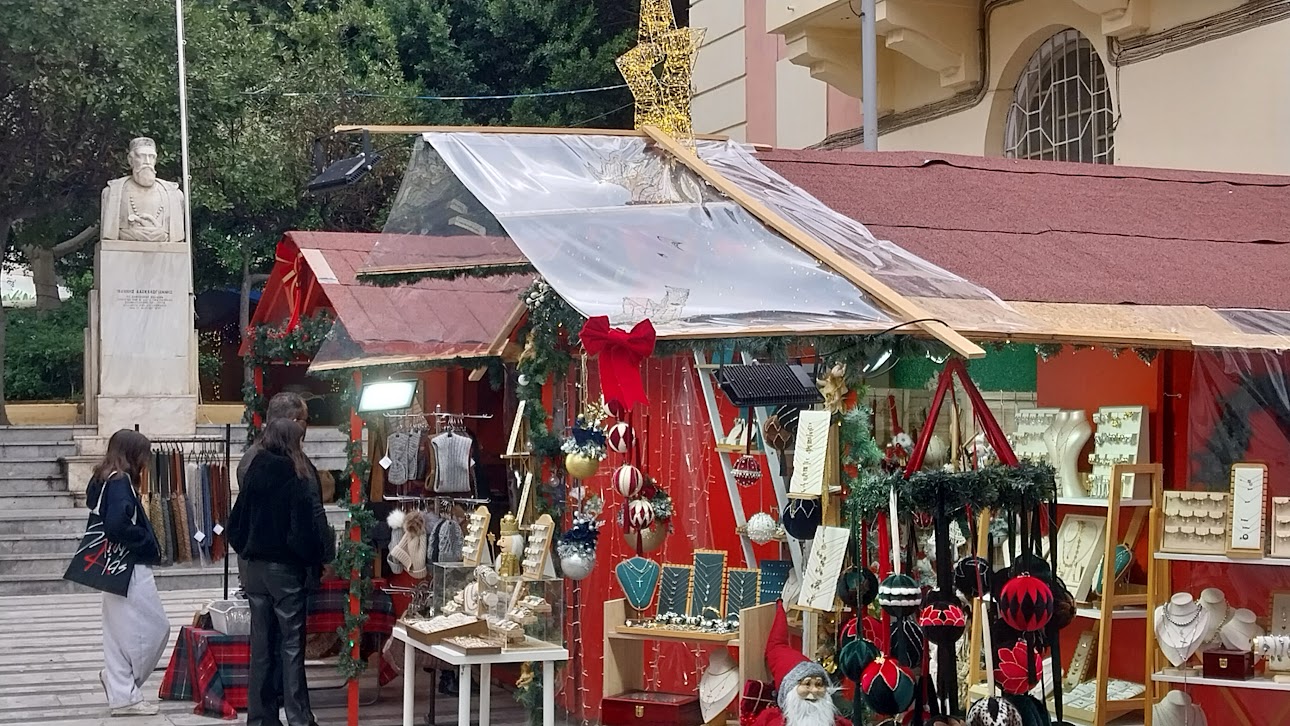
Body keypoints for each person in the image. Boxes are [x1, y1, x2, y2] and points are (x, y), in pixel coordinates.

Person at [229, 419, 334, 726]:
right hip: (284, 571)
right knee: (291, 645)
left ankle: (261, 719)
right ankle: (299, 718)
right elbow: (305, 529)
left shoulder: (256, 467)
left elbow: (237, 521)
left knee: (261, 646)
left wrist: (247, 548)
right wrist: (315, 558)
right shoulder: (297, 471)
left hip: (255, 569)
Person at [92, 429, 169, 717]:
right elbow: (115, 525)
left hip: (112, 568)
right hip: (129, 567)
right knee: (153, 629)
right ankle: (121, 688)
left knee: (117, 634)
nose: (146, 462)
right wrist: (146, 540)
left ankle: (121, 688)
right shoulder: (121, 482)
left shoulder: (105, 478)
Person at [755, 602, 849, 726]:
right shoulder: (770, 722)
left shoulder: (840, 724)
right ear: (789, 689)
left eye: (819, 684)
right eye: (807, 684)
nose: (814, 690)